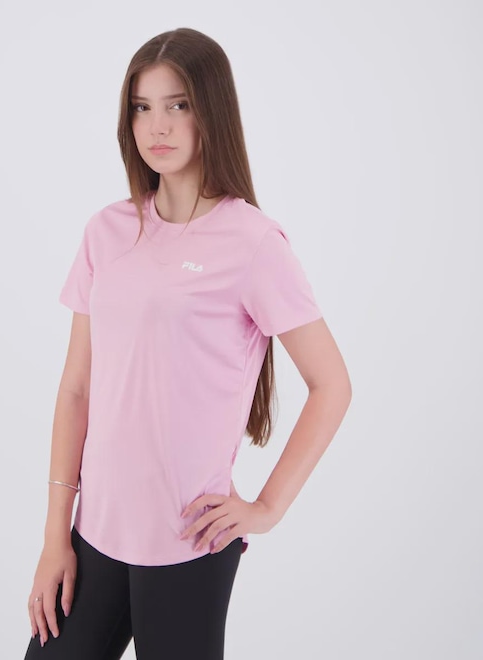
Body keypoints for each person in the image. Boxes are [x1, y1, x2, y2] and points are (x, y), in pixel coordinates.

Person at [23, 27, 352, 660]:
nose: (158, 126)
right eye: (142, 107)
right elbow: (76, 389)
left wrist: (267, 507)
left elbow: (331, 384)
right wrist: (53, 538)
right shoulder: (106, 232)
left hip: (189, 542)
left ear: (211, 111)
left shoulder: (253, 243)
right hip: (94, 535)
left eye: (178, 104)